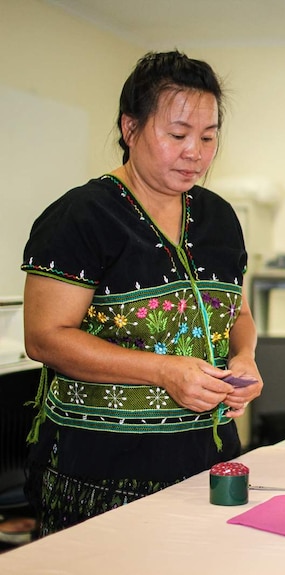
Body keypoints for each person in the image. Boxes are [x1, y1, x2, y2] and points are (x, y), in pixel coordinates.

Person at [20, 50, 263, 537]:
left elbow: (234, 311)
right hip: (99, 473)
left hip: (205, 460)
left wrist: (246, 356)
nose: (195, 151)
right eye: (177, 135)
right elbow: (44, 338)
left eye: (209, 137)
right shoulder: (82, 217)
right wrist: (162, 370)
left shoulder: (219, 217)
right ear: (130, 128)